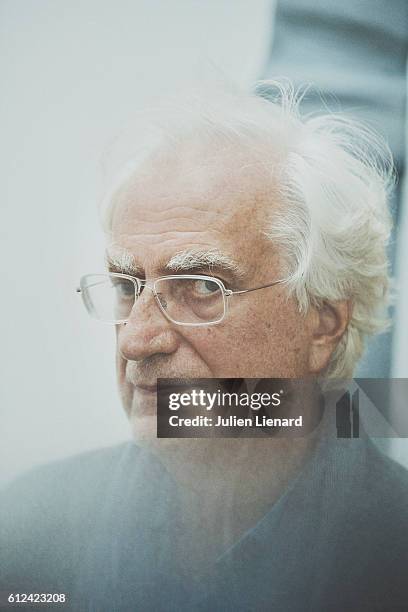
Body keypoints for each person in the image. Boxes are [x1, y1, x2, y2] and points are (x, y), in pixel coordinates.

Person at [2, 83, 408, 611]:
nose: (136, 339)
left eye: (200, 288)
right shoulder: (31, 533)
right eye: (127, 288)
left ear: (323, 322)